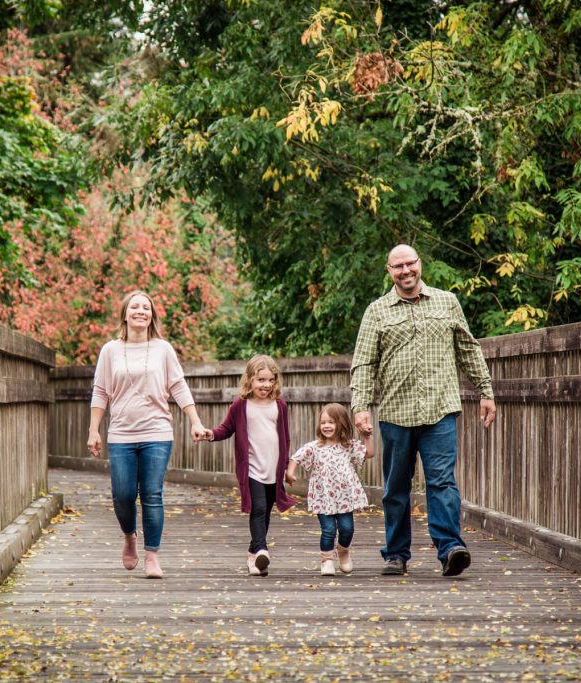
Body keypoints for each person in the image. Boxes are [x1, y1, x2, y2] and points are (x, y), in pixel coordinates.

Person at [350, 244, 496, 577]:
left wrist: (485, 391)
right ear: (389, 271)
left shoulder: (448, 302)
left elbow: (468, 350)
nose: (405, 271)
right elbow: (363, 363)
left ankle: (450, 549)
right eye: (397, 266)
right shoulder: (377, 311)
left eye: (410, 264)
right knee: (396, 487)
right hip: (396, 414)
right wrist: (360, 407)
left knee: (442, 481)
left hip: (440, 410)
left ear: (420, 264)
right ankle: (396, 554)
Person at [87, 290, 211, 579]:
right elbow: (101, 392)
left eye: (146, 307)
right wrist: (94, 430)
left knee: (152, 494)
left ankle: (152, 555)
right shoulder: (110, 351)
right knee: (123, 495)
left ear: (152, 315)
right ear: (125, 314)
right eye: (135, 307)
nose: (140, 311)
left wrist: (195, 421)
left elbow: (178, 386)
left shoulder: (163, 349)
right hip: (120, 434)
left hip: (157, 431)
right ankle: (129, 535)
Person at [201, 355, 297, 576]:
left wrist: (286, 468)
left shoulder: (279, 405)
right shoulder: (241, 405)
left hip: (273, 468)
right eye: (260, 380)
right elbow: (225, 429)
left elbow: (285, 437)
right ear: (250, 380)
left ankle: (253, 554)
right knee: (259, 507)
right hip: (251, 467)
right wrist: (209, 434)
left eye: (270, 380)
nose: (265, 385)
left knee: (267, 511)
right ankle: (262, 549)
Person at [285, 403, 375, 576]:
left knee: (347, 528)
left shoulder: (348, 446)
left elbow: (369, 453)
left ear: (341, 423)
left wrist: (366, 437)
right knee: (328, 530)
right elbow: (296, 457)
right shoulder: (315, 447)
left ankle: (343, 551)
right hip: (323, 496)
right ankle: (327, 560)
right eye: (323, 422)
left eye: (331, 422)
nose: (326, 426)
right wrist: (290, 473)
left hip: (345, 498)